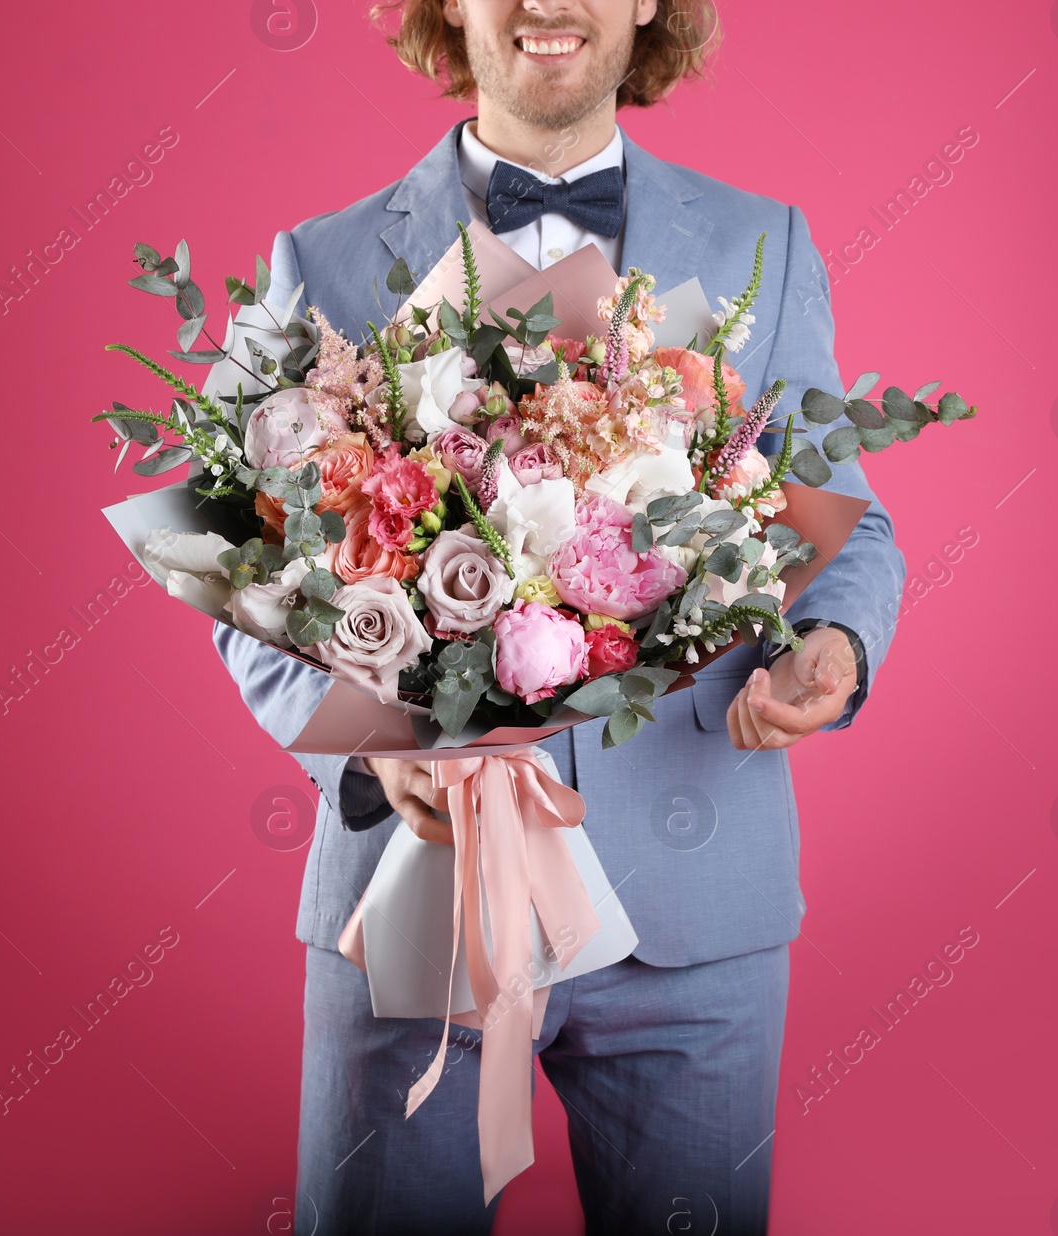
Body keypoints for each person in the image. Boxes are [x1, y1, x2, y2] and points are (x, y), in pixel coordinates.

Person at [213, 1, 906, 1231]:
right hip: (411, 897)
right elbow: (236, 568)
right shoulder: (314, 263)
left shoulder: (766, 243)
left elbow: (838, 517)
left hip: (698, 916)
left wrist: (832, 647)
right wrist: (379, 748)